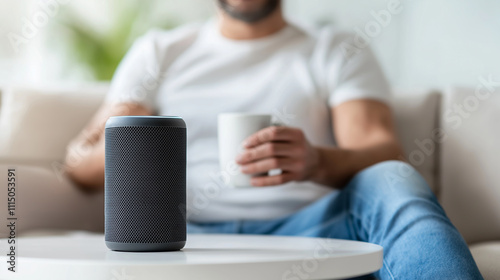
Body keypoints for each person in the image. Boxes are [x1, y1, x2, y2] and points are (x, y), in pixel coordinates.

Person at [64, 0, 483, 279]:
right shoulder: (159, 52)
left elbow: (385, 151)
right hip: (185, 233)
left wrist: (317, 160)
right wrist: (124, 133)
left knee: (392, 178)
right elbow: (79, 168)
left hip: (310, 228)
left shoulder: (334, 48)